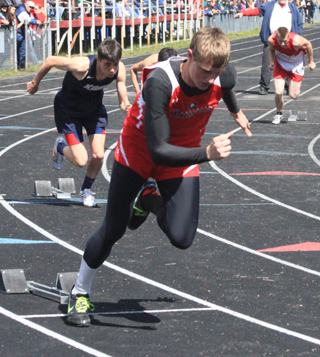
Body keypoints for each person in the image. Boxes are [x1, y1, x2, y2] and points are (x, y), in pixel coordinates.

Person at [65, 26, 252, 327]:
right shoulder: (160, 83)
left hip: (183, 154)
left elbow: (226, 85)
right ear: (190, 55)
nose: (209, 80)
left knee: (182, 238)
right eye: (204, 71)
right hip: (141, 152)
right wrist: (208, 154)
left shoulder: (221, 74)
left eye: (215, 73)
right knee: (114, 228)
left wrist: (235, 112)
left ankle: (149, 199)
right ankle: (80, 291)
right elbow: (159, 150)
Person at [27, 38, 131, 207]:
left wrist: (126, 106)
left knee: (98, 155)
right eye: (107, 65)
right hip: (69, 111)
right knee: (81, 160)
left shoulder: (119, 70)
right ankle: (60, 147)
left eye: (115, 64)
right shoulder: (81, 66)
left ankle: (86, 190)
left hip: (94, 111)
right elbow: (50, 61)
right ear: (98, 60)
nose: (112, 69)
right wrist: (35, 83)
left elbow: (122, 96)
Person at [234, 0, 303, 95]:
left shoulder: (293, 8)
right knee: (267, 64)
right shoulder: (269, 5)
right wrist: (243, 13)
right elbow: (257, 11)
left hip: (287, 41)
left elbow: (300, 23)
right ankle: (264, 86)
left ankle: (287, 86)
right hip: (271, 39)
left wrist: (295, 35)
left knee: (287, 64)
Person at [268, 26, 315, 124]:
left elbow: (309, 45)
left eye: (285, 41)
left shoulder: (297, 41)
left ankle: (291, 82)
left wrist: (311, 61)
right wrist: (271, 62)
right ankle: (279, 113)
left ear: (288, 36)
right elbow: (271, 50)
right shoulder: (271, 40)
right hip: (281, 64)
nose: (283, 44)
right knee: (278, 91)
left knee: (293, 95)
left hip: (296, 65)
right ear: (276, 37)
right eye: (280, 41)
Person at [15, 0, 41, 69]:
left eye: (32, 7)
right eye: (30, 7)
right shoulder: (22, 10)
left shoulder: (27, 11)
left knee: (22, 49)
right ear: (26, 5)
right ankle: (18, 65)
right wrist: (36, 21)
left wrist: (35, 20)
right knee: (18, 49)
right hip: (18, 33)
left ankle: (20, 65)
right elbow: (28, 19)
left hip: (22, 33)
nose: (31, 9)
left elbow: (31, 18)